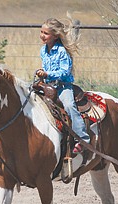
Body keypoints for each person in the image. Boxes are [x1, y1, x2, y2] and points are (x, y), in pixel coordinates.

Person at [36, 18, 90, 154]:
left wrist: (47, 74)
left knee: (69, 106)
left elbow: (65, 71)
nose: (42, 35)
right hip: (48, 85)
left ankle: (82, 138)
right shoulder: (43, 50)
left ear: (55, 36)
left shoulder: (62, 51)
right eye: (41, 32)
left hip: (62, 86)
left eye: (46, 33)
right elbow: (46, 67)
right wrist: (41, 73)